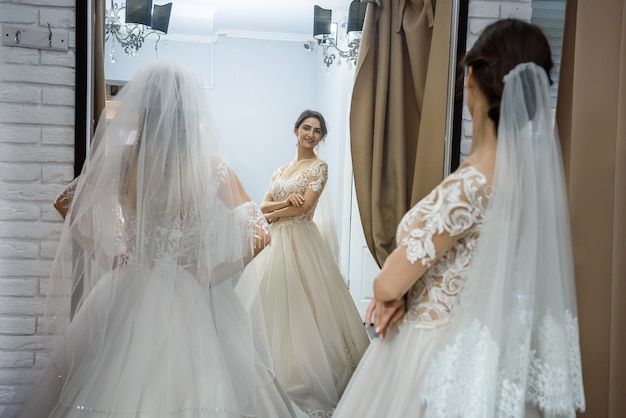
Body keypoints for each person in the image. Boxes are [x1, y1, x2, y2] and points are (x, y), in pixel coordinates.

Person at [333, 19, 585, 418]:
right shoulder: (523, 183)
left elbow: (387, 281)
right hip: (484, 348)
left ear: (471, 77)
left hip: (432, 352)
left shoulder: (471, 185)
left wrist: (393, 295)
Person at [14, 61, 296, 418]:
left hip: (128, 284)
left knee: (109, 376)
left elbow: (66, 203)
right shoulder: (208, 166)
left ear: (144, 108)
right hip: (191, 288)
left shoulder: (126, 161)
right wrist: (212, 274)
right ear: (190, 112)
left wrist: (108, 257)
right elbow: (262, 233)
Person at [235, 110, 370, 418]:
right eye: (306, 128)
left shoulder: (318, 167)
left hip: (303, 243)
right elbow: (262, 205)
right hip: (276, 243)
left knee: (304, 307)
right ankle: (266, 367)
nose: (311, 133)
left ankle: (306, 370)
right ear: (295, 131)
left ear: (321, 137)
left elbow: (305, 207)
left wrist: (277, 211)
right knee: (270, 304)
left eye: (318, 130)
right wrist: (284, 204)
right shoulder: (282, 170)